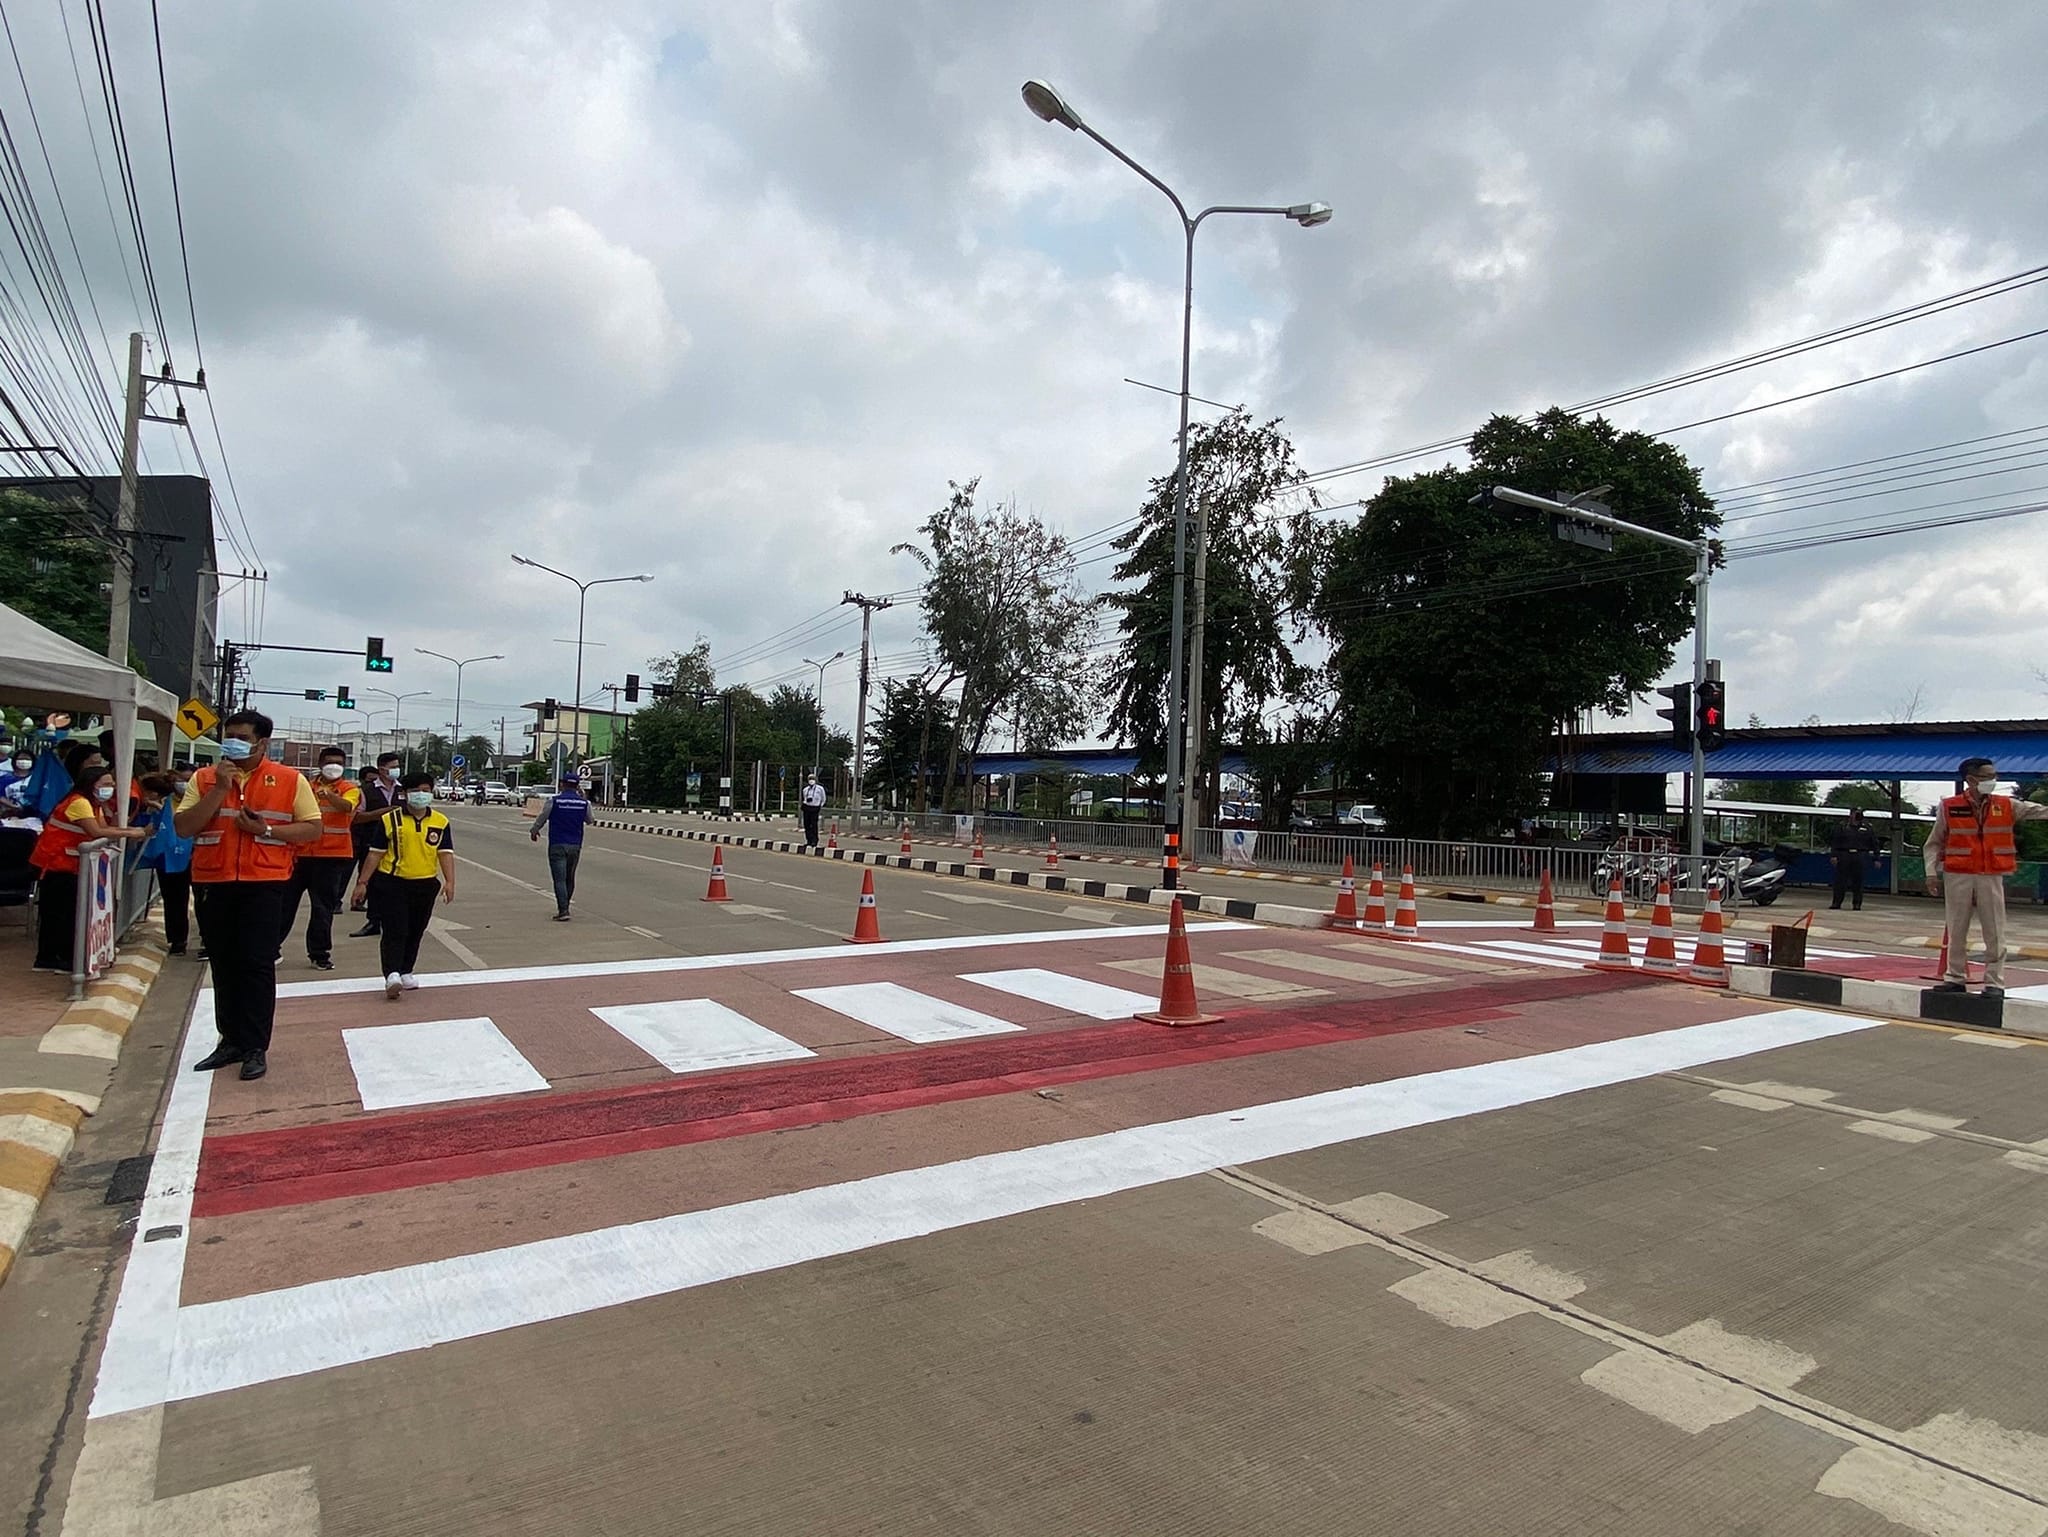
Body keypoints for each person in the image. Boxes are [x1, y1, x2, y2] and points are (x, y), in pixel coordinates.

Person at [174, 709, 322, 1080]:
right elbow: (184, 827)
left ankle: (255, 1046)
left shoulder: (289, 779)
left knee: (256, 964)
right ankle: (230, 1041)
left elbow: (312, 829)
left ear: (262, 742)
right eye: (230, 736)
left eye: (242, 737)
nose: (233, 743)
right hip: (214, 882)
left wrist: (267, 830)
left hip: (264, 883)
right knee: (222, 964)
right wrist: (219, 789)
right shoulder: (204, 778)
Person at [1923, 758, 2048, 999]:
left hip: (1990, 875)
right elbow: (1934, 843)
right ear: (1971, 780)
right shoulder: (1949, 807)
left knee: (1995, 931)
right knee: (1956, 929)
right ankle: (1955, 978)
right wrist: (1930, 872)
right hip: (1958, 874)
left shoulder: (2007, 805)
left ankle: (1994, 983)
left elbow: (2038, 810)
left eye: (1994, 775)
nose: (1994, 780)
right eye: (1988, 776)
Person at [29, 763, 149, 971]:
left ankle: (55, 957)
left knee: (64, 913)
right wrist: (131, 832)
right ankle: (59, 959)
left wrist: (127, 827)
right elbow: (96, 831)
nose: (111, 788)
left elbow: (104, 828)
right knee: (61, 914)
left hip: (70, 864)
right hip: (57, 864)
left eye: (112, 784)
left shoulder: (93, 804)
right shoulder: (79, 802)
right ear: (91, 784)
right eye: (106, 784)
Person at [353, 770, 455, 999]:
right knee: (395, 929)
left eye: (425, 791)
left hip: (425, 883)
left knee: (416, 929)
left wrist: (449, 882)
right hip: (393, 883)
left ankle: (407, 971)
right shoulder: (390, 820)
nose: (421, 795)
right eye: (415, 791)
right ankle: (392, 973)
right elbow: (375, 854)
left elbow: (445, 853)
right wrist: (362, 883)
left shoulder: (440, 821)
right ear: (405, 794)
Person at [278, 746, 361, 971]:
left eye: (339, 763)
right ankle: (271, 948)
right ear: (320, 764)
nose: (334, 766)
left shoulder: (349, 789)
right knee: (284, 905)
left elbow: (347, 807)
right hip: (299, 854)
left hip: (331, 858)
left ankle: (319, 954)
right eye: (330, 762)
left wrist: (330, 796)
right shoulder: (304, 786)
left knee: (322, 908)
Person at [135, 771, 196, 955]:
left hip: (194, 855)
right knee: (174, 900)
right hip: (168, 858)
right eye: (181, 780)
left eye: (188, 780)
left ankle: (206, 942)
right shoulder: (159, 805)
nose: (184, 784)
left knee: (201, 901)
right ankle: (178, 941)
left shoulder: (197, 801)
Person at [348, 752, 403, 936]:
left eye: (397, 767)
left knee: (395, 884)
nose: (396, 770)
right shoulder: (366, 791)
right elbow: (356, 818)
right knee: (373, 882)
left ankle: (393, 921)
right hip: (371, 842)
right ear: (382, 769)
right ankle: (374, 921)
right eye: (393, 767)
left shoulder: (403, 790)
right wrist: (380, 813)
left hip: (399, 844)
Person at [527, 771, 589, 920]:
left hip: (557, 844)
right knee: (569, 878)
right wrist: (583, 799)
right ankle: (565, 906)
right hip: (575, 845)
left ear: (562, 784)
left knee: (559, 879)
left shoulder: (554, 801)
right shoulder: (584, 803)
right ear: (577, 786)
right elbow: (590, 820)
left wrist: (534, 830)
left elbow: (542, 817)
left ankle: (563, 910)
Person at [1828, 807, 1882, 911]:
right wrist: (1833, 855)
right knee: (1840, 881)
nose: (1858, 816)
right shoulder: (1843, 827)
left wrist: (1877, 858)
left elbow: (1875, 844)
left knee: (1858, 881)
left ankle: (1857, 903)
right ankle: (1836, 903)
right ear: (1851, 815)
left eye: (1859, 813)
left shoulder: (1867, 828)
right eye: (1856, 813)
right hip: (1844, 855)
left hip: (1860, 855)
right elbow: (1835, 842)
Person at [801, 772, 826, 848]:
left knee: (814, 825)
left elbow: (823, 798)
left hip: (815, 808)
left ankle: (814, 841)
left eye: (812, 779)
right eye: (810, 779)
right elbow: (804, 798)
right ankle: (808, 840)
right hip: (807, 807)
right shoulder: (805, 789)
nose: (811, 780)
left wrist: (820, 806)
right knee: (807, 825)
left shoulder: (820, 789)